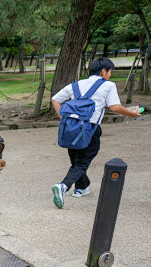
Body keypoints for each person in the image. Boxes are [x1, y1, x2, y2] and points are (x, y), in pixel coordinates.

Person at [50, 57, 142, 208]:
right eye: (110, 71)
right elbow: (115, 107)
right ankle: (63, 186)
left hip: (70, 127)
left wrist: (64, 118)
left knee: (76, 161)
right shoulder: (108, 85)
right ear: (103, 71)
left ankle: (81, 188)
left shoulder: (76, 84)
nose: (110, 75)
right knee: (82, 161)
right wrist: (132, 114)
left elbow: (55, 99)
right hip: (89, 128)